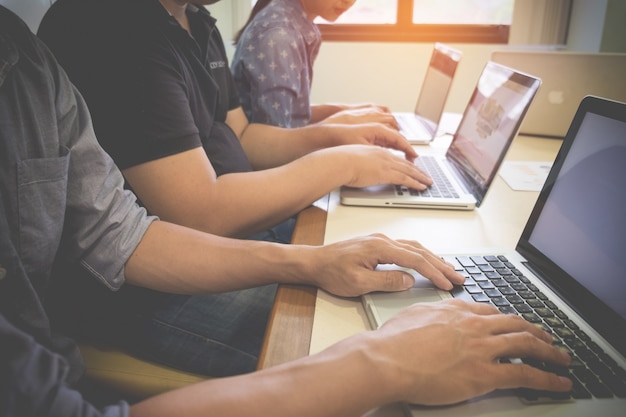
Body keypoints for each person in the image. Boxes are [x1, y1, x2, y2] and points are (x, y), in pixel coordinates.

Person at [0, 8, 574, 416]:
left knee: (386, 304)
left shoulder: (30, 61)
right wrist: (378, 362)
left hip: (147, 282)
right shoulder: (105, 27)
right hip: (117, 311)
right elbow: (193, 210)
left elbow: (123, 234)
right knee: (355, 339)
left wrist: (311, 260)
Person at [36, 0, 432, 377]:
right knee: (359, 335)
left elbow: (243, 135)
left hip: (235, 231)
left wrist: (338, 138)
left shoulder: (196, 20)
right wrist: (340, 163)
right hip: (152, 287)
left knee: (393, 281)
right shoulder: (113, 30)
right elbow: (196, 213)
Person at [231, 0, 399, 129]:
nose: (348, 1)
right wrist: (346, 122)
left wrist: (346, 111)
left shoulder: (291, 20)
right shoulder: (279, 36)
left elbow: (294, 116)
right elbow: (275, 140)